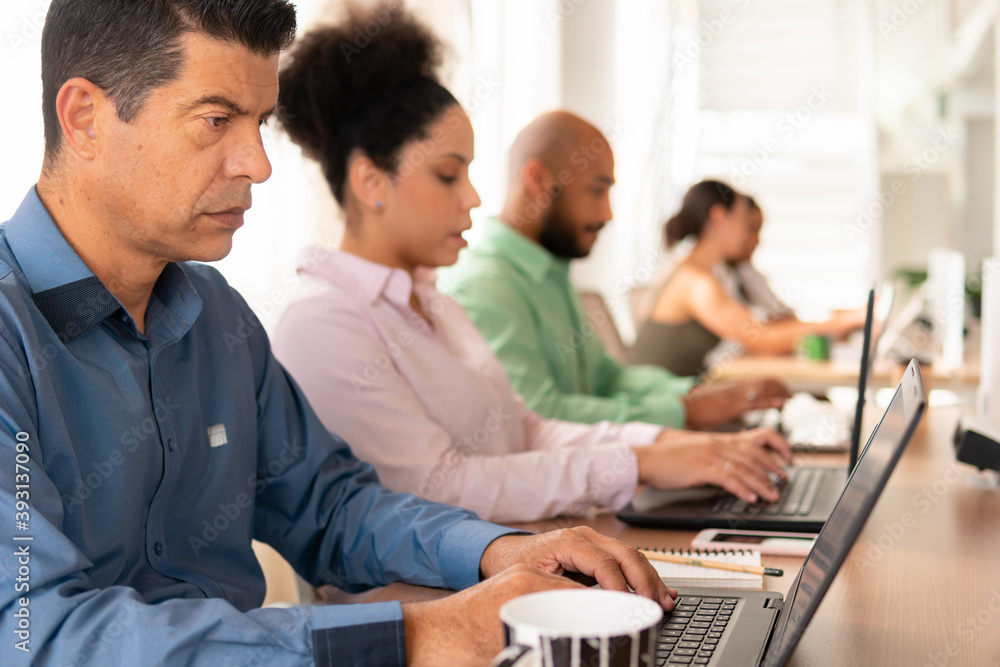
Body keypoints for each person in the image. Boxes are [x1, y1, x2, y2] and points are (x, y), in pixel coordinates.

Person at [0, 3, 676, 665]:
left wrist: (496, 550)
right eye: (216, 120)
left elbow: (329, 505)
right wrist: (415, 635)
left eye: (260, 122)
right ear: (84, 118)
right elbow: (36, 633)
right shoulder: (12, 336)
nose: (258, 163)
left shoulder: (217, 315)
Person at [270, 9, 792, 525]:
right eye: (448, 175)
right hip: (425, 602)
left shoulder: (435, 304)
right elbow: (441, 486)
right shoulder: (325, 322)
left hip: (515, 561)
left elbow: (527, 428)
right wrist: (639, 462)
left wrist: (662, 445)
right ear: (370, 182)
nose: (473, 198)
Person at [441, 111, 790, 428]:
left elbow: (607, 380)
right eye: (596, 191)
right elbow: (537, 417)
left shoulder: (552, 273)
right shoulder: (488, 286)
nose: (607, 213)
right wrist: (686, 411)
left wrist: (698, 394)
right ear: (538, 180)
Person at [627, 180, 866, 376]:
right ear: (719, 217)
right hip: (654, 408)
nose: (750, 235)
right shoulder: (695, 282)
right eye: (744, 221)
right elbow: (761, 337)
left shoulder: (700, 273)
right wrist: (849, 320)